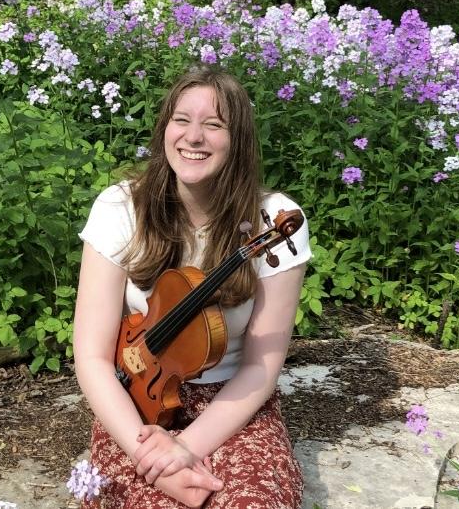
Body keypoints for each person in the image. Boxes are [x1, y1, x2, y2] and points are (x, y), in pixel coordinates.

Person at [74, 66, 312, 509]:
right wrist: (151, 457)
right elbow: (90, 356)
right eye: (181, 120)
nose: (194, 137)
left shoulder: (275, 220)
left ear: (237, 139)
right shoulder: (119, 207)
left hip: (233, 403)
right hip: (136, 401)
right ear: (165, 128)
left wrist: (185, 449)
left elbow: (261, 368)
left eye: (214, 124)